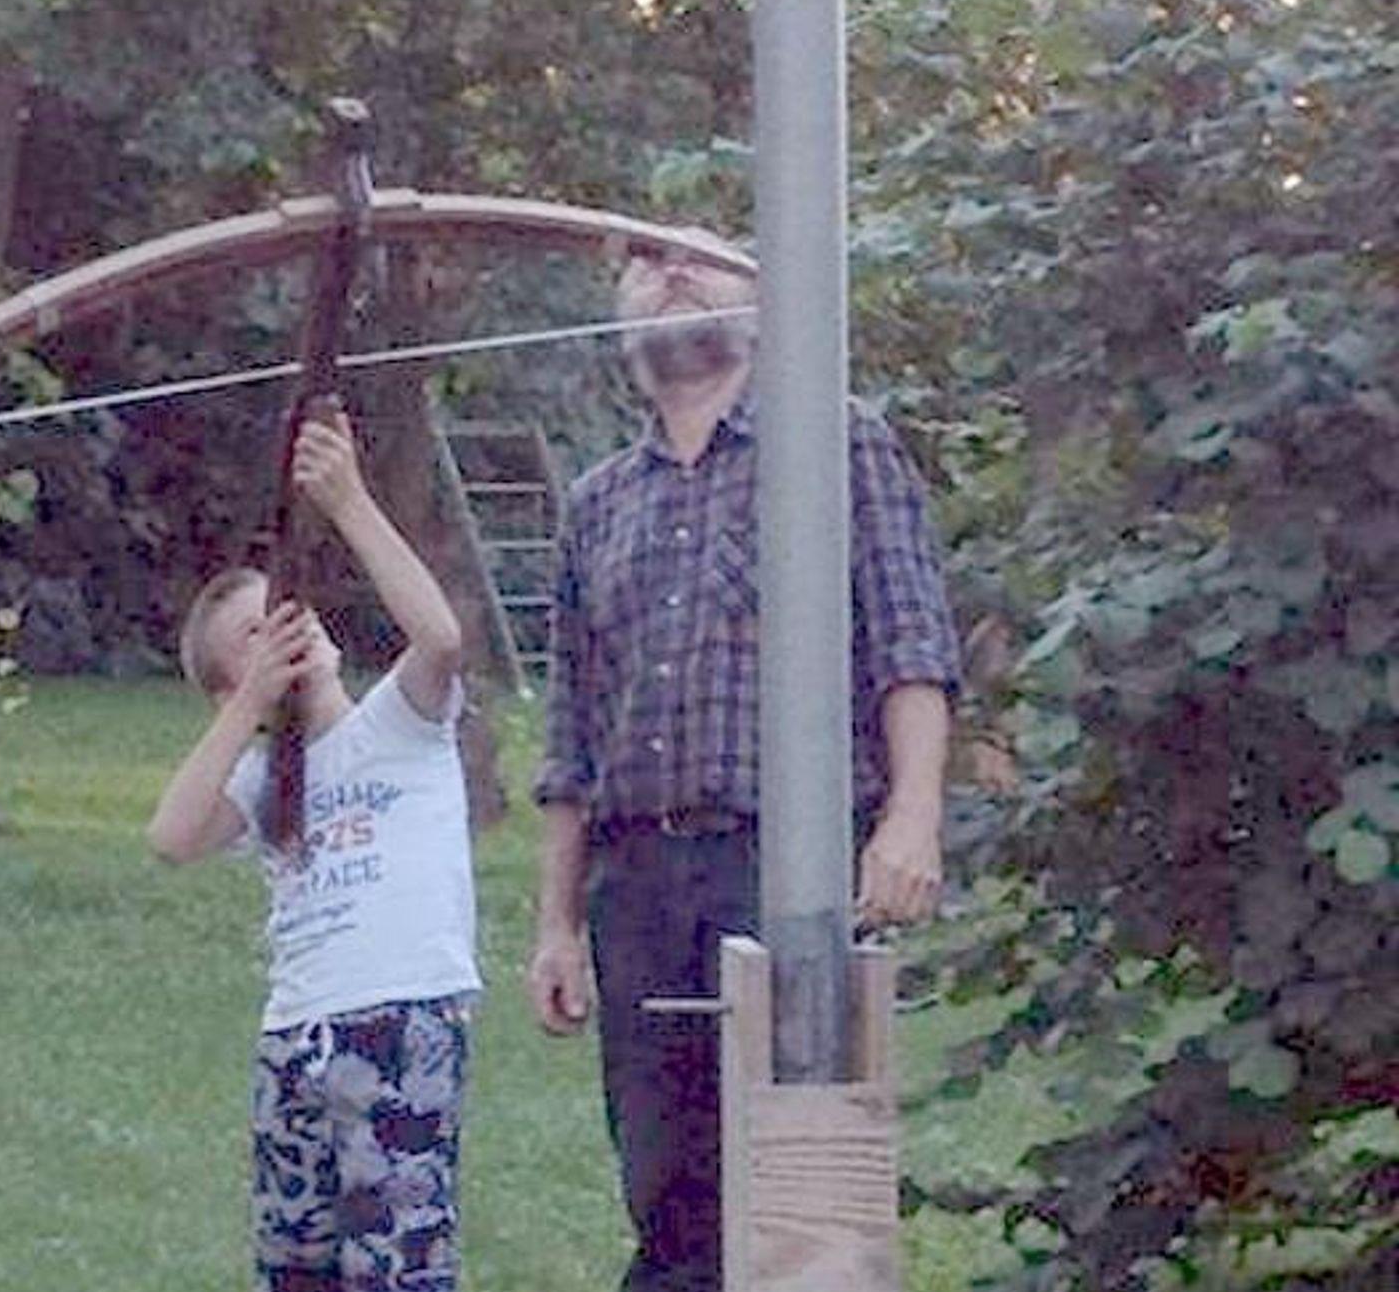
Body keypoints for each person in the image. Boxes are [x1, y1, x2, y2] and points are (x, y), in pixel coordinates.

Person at [525, 258, 961, 1291]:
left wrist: (912, 816)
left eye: (699, 254)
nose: (671, 268)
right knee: (665, 1189)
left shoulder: (836, 441)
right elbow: (571, 729)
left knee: (802, 1182)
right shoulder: (597, 501)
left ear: (759, 302)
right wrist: (556, 924)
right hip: (636, 885)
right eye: (644, 261)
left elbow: (910, 639)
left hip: (782, 866)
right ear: (620, 325)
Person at [148, 408, 480, 1292]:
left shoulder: (399, 724)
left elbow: (442, 639)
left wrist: (347, 500)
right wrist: (249, 705)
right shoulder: (261, 779)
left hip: (402, 1021)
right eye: (253, 635)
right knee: (295, 1268)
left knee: (399, 1264)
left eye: (285, 609)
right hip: (294, 1038)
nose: (283, 632)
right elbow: (171, 837)